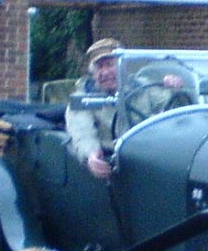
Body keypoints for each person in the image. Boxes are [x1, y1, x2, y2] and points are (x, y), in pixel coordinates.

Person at [65, 38, 183, 179]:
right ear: (94, 73)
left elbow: (175, 110)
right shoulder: (83, 99)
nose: (105, 72)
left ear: (123, 67)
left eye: (110, 65)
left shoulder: (143, 88)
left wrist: (175, 89)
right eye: (99, 67)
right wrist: (91, 154)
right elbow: (82, 131)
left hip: (148, 157)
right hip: (113, 161)